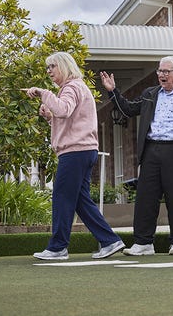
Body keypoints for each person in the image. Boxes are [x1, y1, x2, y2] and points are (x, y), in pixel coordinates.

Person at [100, 56, 173, 256]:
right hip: (151, 150)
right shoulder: (150, 93)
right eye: (160, 71)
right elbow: (128, 109)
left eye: (166, 71)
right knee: (145, 198)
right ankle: (143, 243)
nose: (161, 75)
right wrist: (113, 91)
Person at [25, 52, 125, 261]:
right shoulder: (76, 87)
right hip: (83, 150)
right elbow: (68, 118)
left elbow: (63, 110)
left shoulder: (71, 87)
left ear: (64, 66)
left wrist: (44, 93)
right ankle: (110, 241)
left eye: (52, 66)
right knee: (80, 200)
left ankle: (58, 248)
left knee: (62, 197)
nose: (49, 71)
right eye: (47, 67)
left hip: (75, 152)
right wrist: (50, 117)